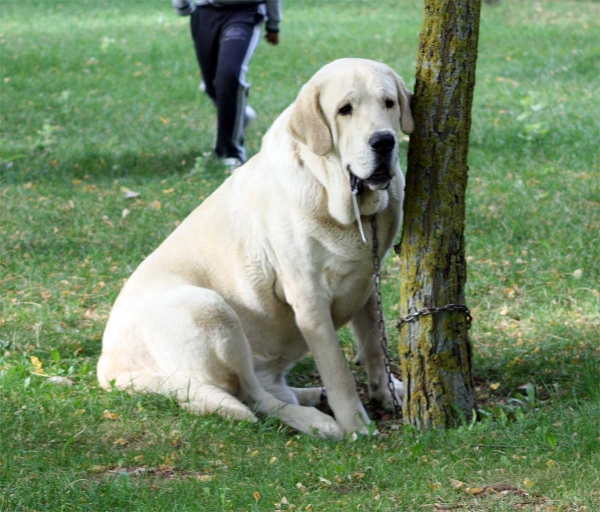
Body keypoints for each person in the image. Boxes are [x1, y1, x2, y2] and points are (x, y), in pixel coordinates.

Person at [172, 0, 282, 169]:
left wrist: (273, 23)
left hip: (245, 12)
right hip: (205, 13)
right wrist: (182, 5)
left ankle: (231, 152)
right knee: (213, 85)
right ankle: (240, 114)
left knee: (229, 75)